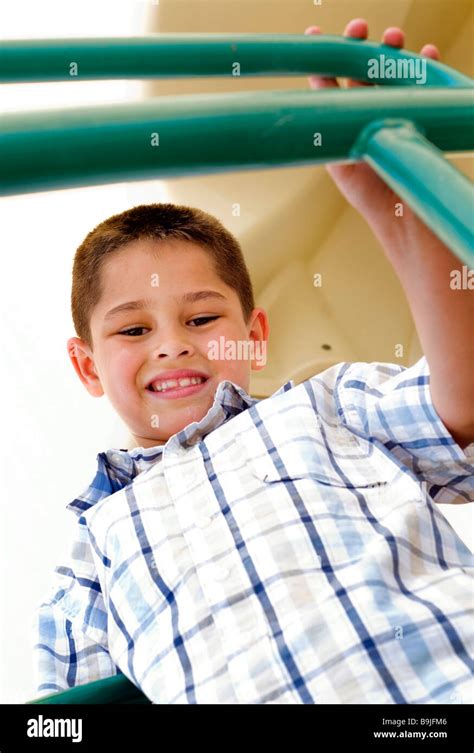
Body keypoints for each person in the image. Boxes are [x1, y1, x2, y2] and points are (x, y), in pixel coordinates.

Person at [32, 19, 473, 704]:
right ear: (88, 366)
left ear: (254, 335)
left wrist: (391, 202)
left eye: (202, 318)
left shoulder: (326, 407)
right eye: (133, 329)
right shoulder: (92, 552)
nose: (172, 343)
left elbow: (464, 399)